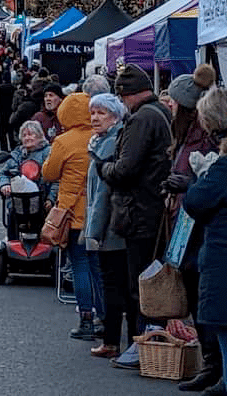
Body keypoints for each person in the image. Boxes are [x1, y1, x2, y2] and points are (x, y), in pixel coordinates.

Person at [96, 64, 172, 369]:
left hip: (140, 210)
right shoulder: (160, 113)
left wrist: (105, 167)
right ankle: (148, 342)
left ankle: (141, 345)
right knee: (150, 280)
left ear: (127, 94)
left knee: (139, 283)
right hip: (152, 208)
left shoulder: (141, 119)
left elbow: (126, 169)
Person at [162, 67, 222, 393]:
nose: (169, 105)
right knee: (197, 292)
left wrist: (188, 184)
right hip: (185, 223)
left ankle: (214, 364)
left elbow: (210, 187)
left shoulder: (207, 139)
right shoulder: (185, 135)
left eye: (174, 101)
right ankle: (210, 362)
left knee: (205, 296)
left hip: (200, 227)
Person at [43, 92, 104, 341]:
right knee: (98, 268)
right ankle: (105, 316)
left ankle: (86, 318)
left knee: (79, 265)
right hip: (99, 210)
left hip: (72, 212)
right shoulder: (102, 137)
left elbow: (49, 172)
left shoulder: (63, 141)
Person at [184, 86, 227, 396]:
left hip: (222, 254)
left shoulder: (223, 168)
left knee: (224, 328)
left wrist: (197, 178)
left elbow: (197, 200)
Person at [84, 94, 133, 360]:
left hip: (111, 227)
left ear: (115, 116)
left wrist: (93, 230)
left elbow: (102, 195)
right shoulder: (100, 143)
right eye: (93, 113)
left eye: (102, 113)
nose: (95, 118)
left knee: (113, 284)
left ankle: (112, 341)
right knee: (114, 284)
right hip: (108, 224)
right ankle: (113, 340)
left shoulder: (110, 144)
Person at [0, 120, 57, 208]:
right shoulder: (17, 154)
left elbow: (55, 180)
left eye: (31, 134)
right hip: (17, 202)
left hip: (41, 201)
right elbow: (3, 174)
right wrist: (4, 184)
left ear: (40, 136)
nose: (27, 138)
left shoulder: (48, 153)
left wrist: (50, 199)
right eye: (24, 135)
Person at [0, 81, 15, 151]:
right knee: (11, 131)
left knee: (2, 132)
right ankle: (13, 146)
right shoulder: (13, 87)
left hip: (1, 112)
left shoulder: (0, 87)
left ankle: (3, 148)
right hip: (11, 111)